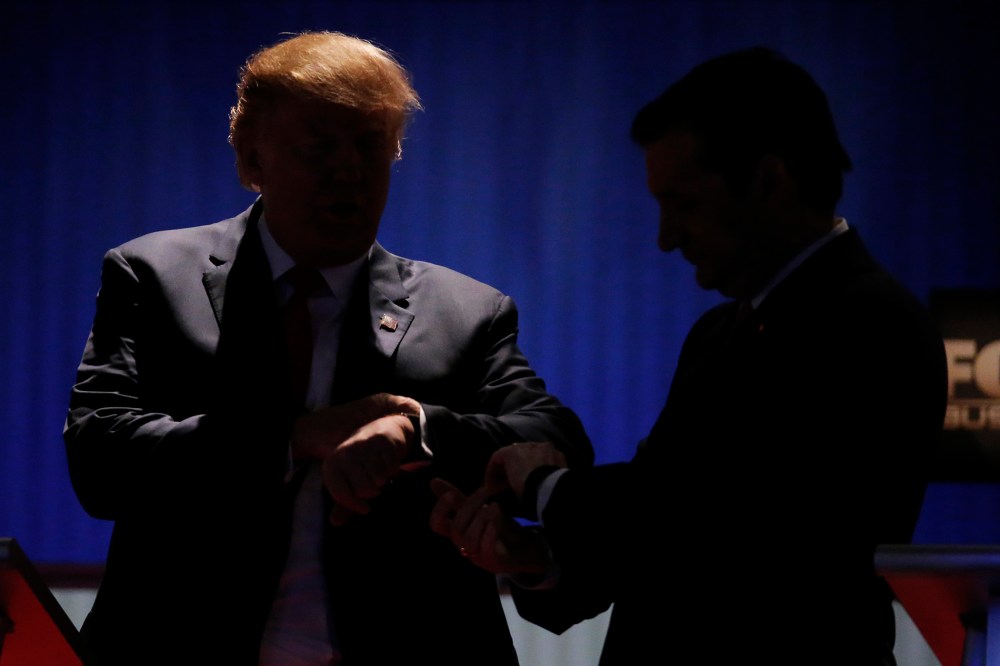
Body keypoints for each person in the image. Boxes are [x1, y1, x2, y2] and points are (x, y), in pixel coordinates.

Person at [63, 30, 592, 666]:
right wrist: (296, 437)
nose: (347, 171)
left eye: (370, 147)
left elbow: (556, 439)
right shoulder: (152, 275)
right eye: (319, 147)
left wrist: (415, 429)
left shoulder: (467, 311)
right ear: (250, 158)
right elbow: (99, 461)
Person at [429, 46, 948, 666]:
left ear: (768, 180)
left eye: (686, 204)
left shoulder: (871, 324)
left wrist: (545, 486)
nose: (665, 237)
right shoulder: (719, 332)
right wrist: (535, 561)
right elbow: (668, 532)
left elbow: (725, 527)